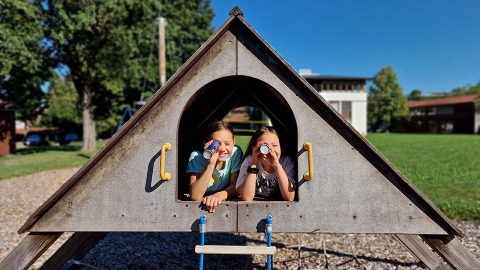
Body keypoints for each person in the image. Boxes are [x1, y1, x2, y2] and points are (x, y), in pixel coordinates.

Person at [186, 120, 243, 212]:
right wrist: (211, 164)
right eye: (216, 144)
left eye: (227, 144)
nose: (222, 149)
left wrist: (219, 196)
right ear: (206, 143)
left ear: (233, 142)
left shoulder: (235, 153)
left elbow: (235, 186)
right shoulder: (197, 157)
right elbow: (195, 195)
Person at [236, 126, 296, 201]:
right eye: (264, 147)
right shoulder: (249, 161)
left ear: (281, 148)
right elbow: (247, 198)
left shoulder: (286, 162)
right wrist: (254, 164)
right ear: (254, 149)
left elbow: (289, 197)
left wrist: (276, 165)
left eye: (274, 145)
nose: (270, 150)